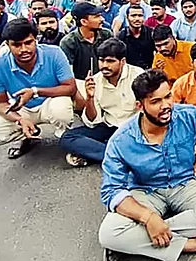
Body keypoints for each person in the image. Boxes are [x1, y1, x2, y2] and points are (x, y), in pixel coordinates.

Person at [98, 69, 196, 261]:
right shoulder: (121, 140)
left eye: (168, 96)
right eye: (156, 101)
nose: (166, 106)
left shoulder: (187, 115)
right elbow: (112, 191)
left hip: (185, 182)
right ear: (140, 106)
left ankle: (135, 243)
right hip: (146, 190)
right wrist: (148, 218)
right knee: (108, 234)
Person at [0, 18, 75, 159]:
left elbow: (70, 88)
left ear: (36, 40)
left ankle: (68, 140)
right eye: (16, 45)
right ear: (7, 45)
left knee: (61, 109)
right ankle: (29, 133)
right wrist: (19, 120)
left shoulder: (54, 53)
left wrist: (35, 91)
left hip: (51, 101)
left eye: (28, 43)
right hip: (21, 108)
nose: (24, 50)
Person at [61, 39, 143, 167]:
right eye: (101, 60)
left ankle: (98, 154)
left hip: (134, 128)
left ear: (122, 62)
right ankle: (118, 156)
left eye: (110, 61)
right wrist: (89, 97)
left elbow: (146, 110)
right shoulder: (96, 80)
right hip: (109, 127)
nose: (104, 65)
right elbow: (93, 121)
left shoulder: (137, 75)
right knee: (67, 138)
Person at [60, 2, 113, 82]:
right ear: (84, 22)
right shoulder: (69, 42)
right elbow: (68, 73)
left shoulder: (107, 35)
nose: (102, 19)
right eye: (97, 17)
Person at [115, 4, 155, 70]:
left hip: (149, 70)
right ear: (127, 17)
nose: (137, 19)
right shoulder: (121, 36)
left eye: (140, 16)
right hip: (129, 72)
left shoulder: (151, 33)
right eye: (133, 16)